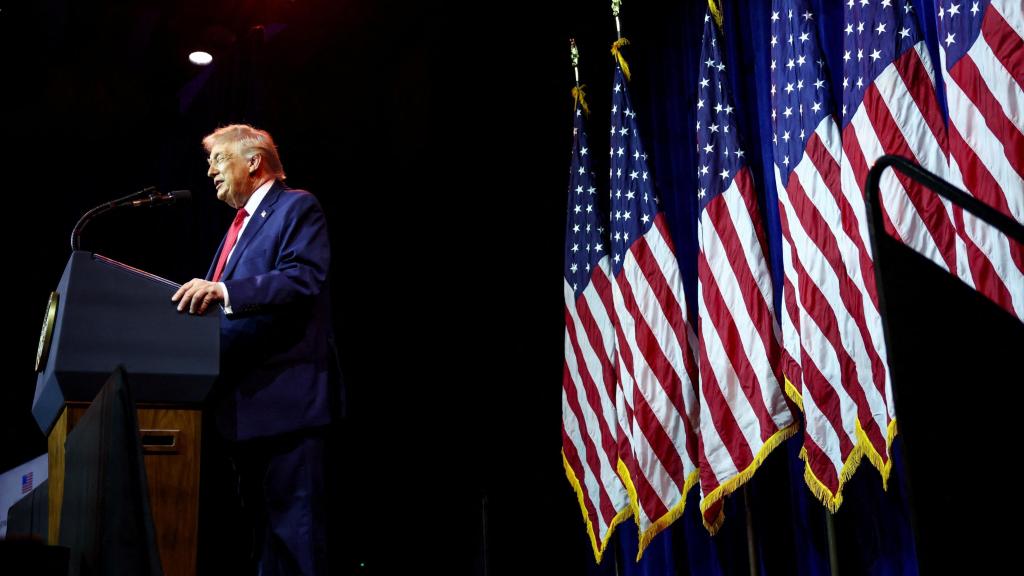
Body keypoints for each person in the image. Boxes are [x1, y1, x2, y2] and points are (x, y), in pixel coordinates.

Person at [172, 124, 335, 575]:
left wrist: (225, 292)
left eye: (219, 159)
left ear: (254, 161)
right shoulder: (236, 228)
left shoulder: (296, 207)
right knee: (263, 549)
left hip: (286, 405)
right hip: (242, 411)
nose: (210, 171)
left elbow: (303, 278)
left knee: (296, 542)